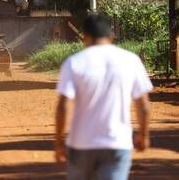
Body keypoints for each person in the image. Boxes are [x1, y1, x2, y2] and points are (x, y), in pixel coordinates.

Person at [55, 14, 153, 180]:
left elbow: (63, 106)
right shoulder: (130, 61)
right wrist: (143, 136)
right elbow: (143, 105)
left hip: (80, 145)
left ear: (84, 37)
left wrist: (58, 142)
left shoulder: (74, 62)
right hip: (117, 144)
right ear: (111, 36)